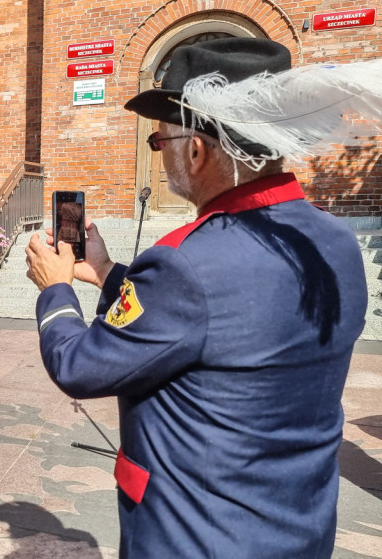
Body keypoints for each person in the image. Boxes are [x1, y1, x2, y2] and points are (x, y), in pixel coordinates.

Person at [25, 38, 368, 558]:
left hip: (196, 533)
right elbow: (230, 321)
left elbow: (80, 367)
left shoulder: (185, 261)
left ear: (196, 148)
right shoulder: (333, 238)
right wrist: (105, 272)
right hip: (298, 524)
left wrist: (56, 289)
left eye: (159, 144)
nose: (161, 158)